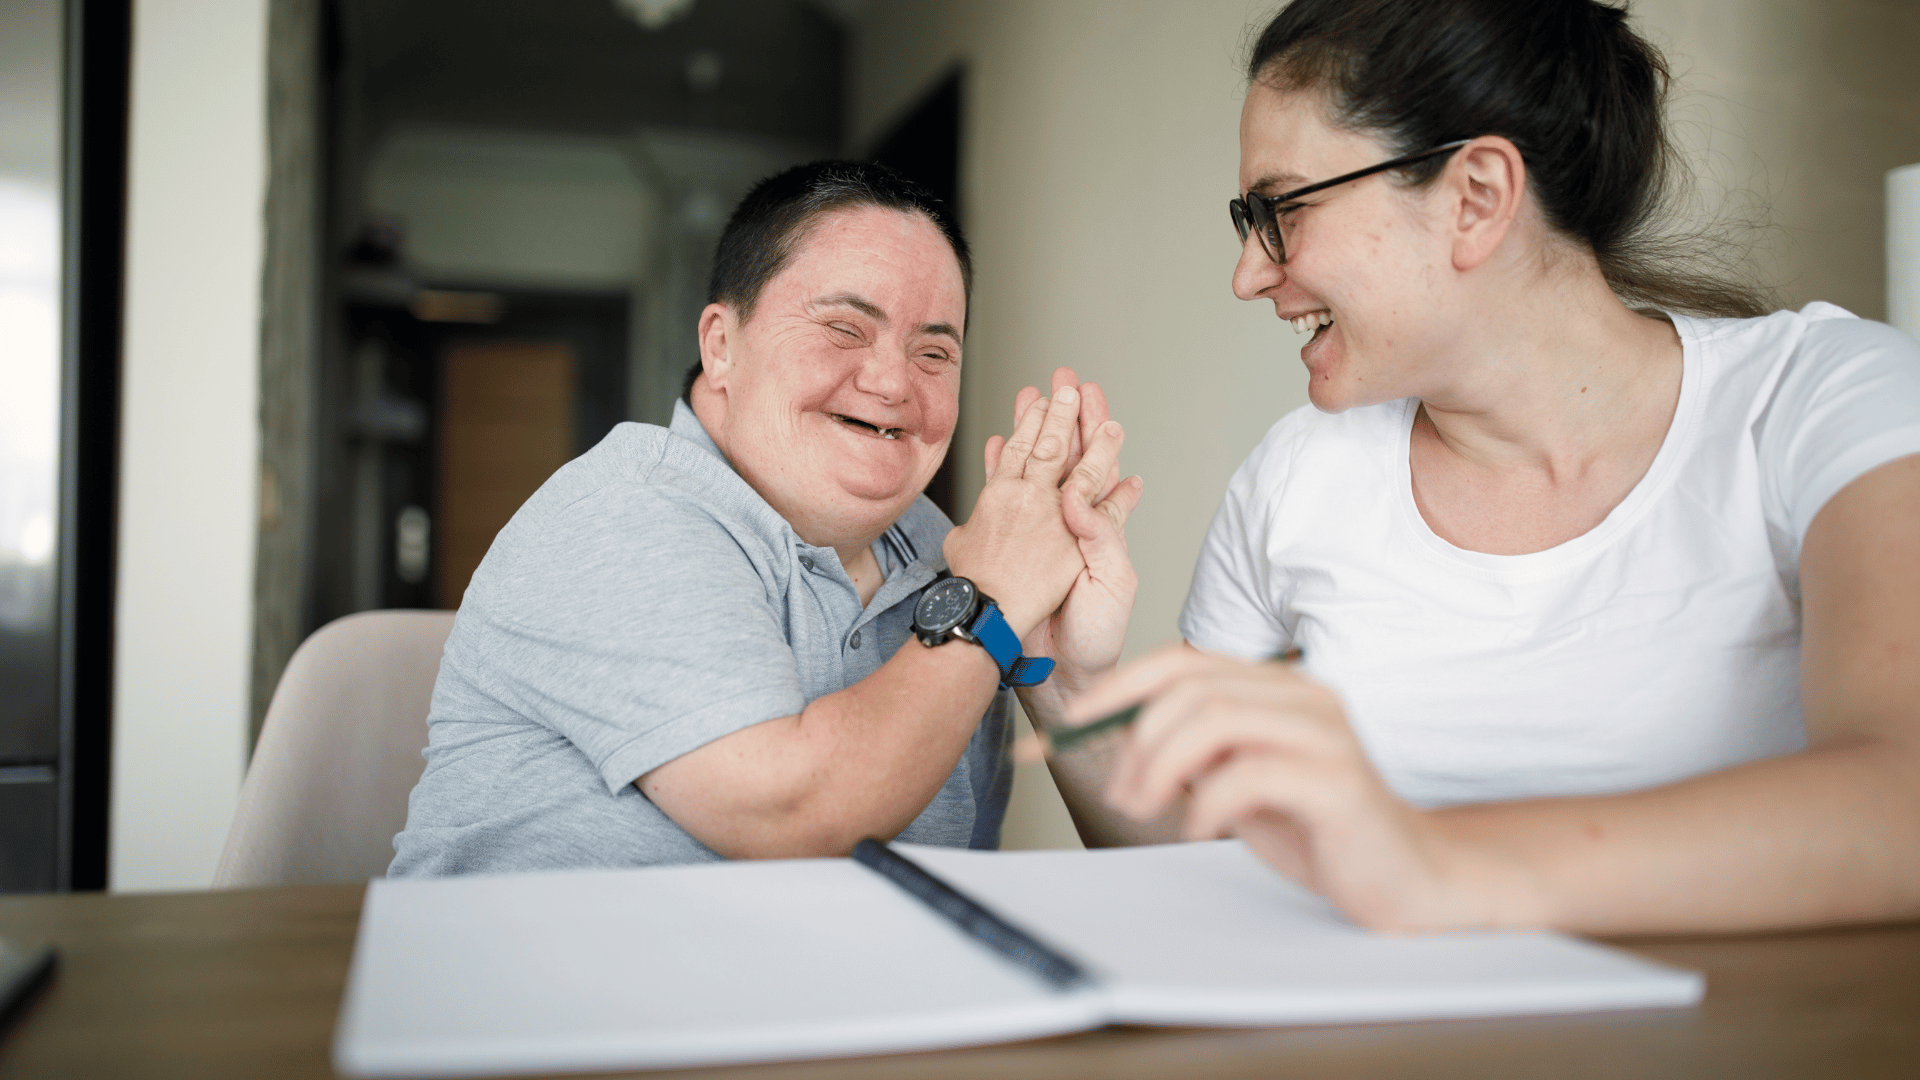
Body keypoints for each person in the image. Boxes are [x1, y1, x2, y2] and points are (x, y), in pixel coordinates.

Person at [1046, 0, 1920, 935]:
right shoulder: (1293, 480)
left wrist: (1434, 866)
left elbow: (1899, 804)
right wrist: (1059, 675)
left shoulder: (1827, 399)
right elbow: (1207, 865)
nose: (1248, 275)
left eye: (1284, 210)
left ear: (1476, 197)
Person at [390, 162, 1141, 874]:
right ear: (721, 345)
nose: (891, 382)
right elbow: (797, 816)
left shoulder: (949, 558)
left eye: (934, 352)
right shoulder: (625, 512)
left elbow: (978, 887)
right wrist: (988, 602)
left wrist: (1059, 678)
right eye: (845, 328)